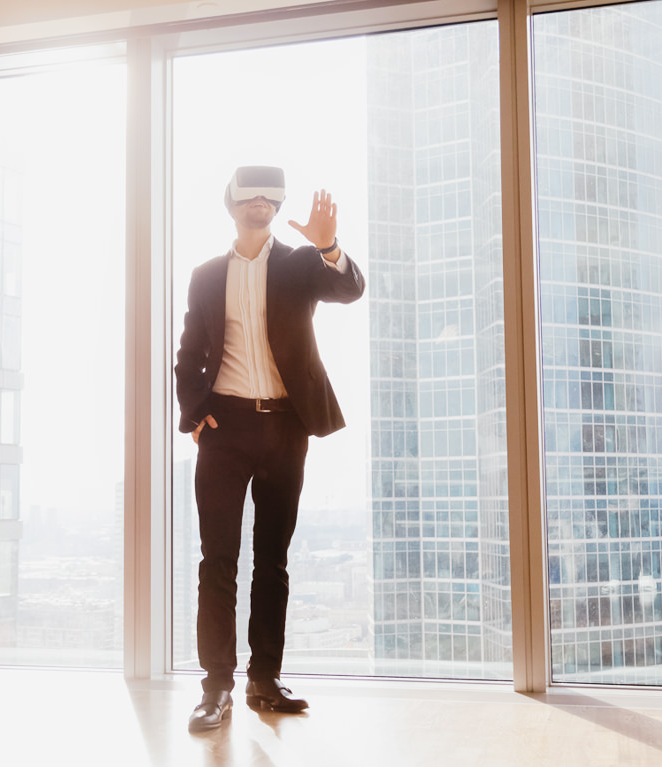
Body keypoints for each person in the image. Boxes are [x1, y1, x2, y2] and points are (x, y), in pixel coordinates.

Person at [175, 166, 365, 732]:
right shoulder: (206, 275)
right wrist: (194, 413)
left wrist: (328, 245)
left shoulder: (302, 264)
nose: (261, 200)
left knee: (272, 560)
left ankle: (265, 679)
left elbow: (350, 289)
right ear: (231, 202)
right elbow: (188, 351)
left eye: (270, 193)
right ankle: (216, 688)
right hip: (224, 429)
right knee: (218, 560)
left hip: (286, 427)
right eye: (250, 192)